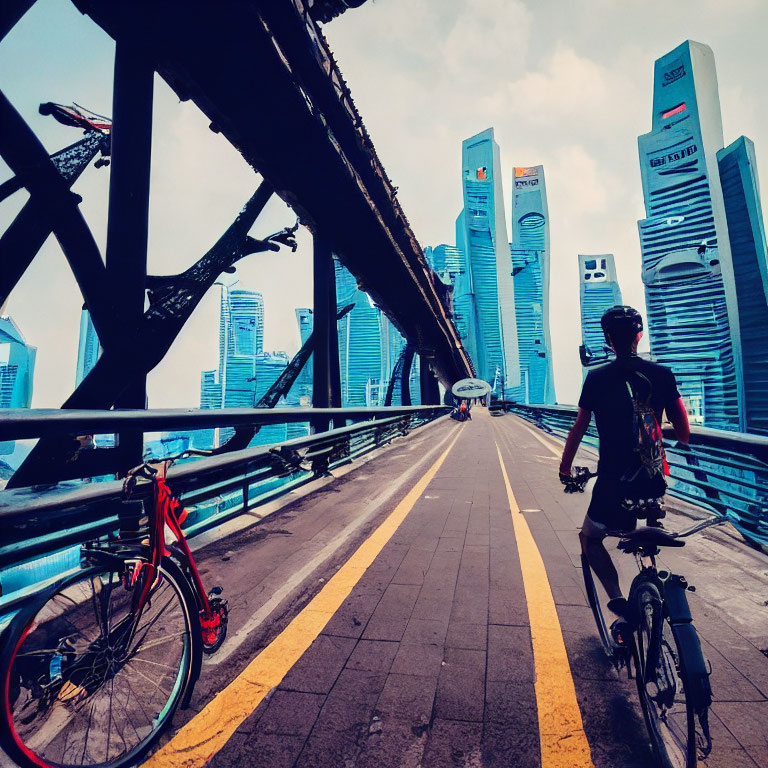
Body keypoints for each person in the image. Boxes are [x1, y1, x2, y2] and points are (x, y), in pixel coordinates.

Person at [559, 306, 690, 617]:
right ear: (639, 335)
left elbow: (578, 428)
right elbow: (684, 433)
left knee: (589, 539)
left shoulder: (596, 378)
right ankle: (652, 583)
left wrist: (565, 469)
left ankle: (619, 601)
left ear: (608, 340)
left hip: (612, 486)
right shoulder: (662, 374)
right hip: (653, 483)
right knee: (647, 532)